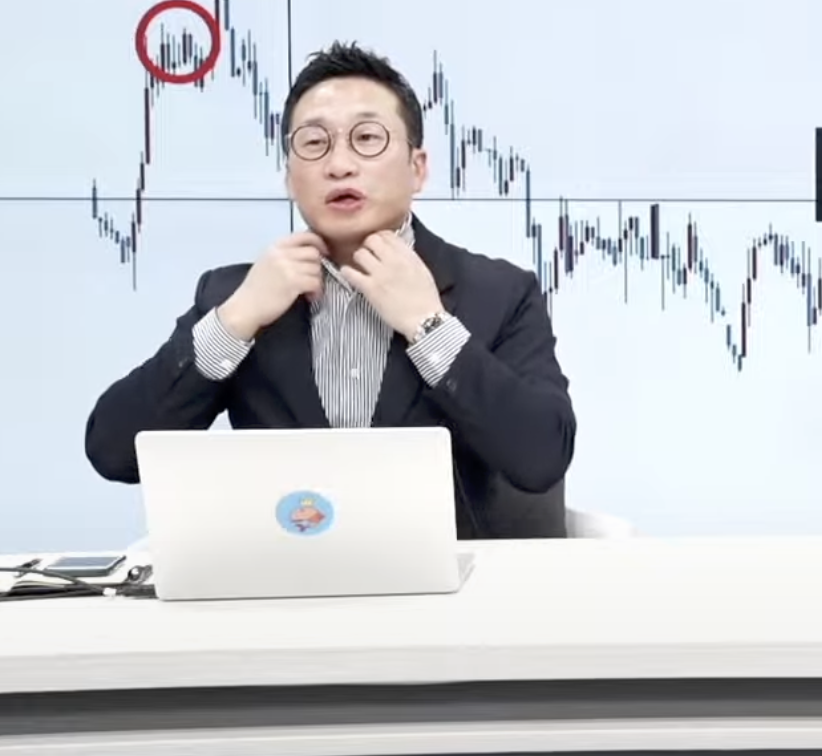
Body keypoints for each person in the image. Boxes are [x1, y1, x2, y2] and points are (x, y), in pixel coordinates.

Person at [85, 42, 577, 539]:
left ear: (418, 168)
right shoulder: (235, 295)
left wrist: (430, 327)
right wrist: (233, 324)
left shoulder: (500, 292)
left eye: (367, 138)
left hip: (448, 581)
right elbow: (114, 452)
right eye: (314, 143)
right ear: (289, 178)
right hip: (285, 578)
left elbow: (540, 457)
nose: (339, 164)